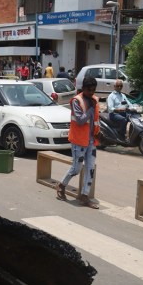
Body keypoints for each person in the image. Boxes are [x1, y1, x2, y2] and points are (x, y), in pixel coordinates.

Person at [55, 76, 101, 209]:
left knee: (90, 169)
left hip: (91, 140)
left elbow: (96, 120)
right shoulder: (77, 101)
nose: (92, 93)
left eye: (93, 90)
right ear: (83, 88)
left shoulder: (95, 100)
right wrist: (91, 110)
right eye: (89, 90)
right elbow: (80, 121)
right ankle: (61, 185)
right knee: (76, 168)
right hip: (79, 141)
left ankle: (85, 196)